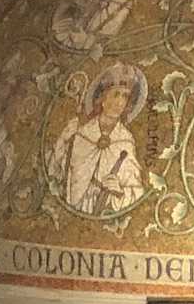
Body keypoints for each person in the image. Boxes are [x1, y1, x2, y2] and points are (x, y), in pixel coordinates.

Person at [46, 63, 145, 217]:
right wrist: (63, 139)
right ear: (102, 99)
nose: (119, 102)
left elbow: (136, 190)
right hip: (74, 210)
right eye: (115, 94)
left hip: (104, 211)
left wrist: (118, 190)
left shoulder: (125, 142)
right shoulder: (81, 135)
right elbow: (57, 171)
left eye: (125, 96)